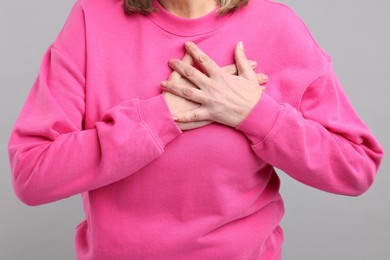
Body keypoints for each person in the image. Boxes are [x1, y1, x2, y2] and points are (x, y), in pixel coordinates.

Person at [8, 0, 383, 259]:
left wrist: (254, 113)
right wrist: (162, 116)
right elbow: (32, 173)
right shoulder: (92, 20)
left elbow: (356, 167)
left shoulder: (276, 26)